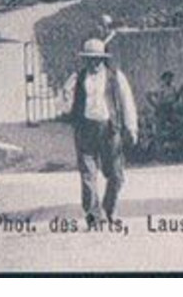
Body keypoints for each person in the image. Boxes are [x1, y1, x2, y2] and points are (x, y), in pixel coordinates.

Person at [68, 38, 139, 227]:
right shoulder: (78, 77)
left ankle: (110, 209)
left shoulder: (115, 77)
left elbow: (127, 102)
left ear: (103, 58)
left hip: (109, 129)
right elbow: (64, 102)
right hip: (85, 130)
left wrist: (131, 127)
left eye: (97, 59)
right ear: (85, 60)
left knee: (116, 174)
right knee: (88, 174)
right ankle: (93, 215)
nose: (94, 63)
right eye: (90, 59)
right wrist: (67, 98)